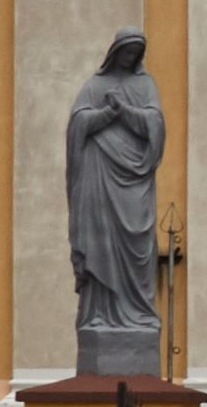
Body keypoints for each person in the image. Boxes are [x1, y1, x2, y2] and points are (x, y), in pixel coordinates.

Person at [66, 29, 165, 372]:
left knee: (139, 248)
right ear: (115, 52)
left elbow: (155, 124)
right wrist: (106, 115)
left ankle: (137, 315)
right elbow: (78, 125)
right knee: (99, 243)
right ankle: (99, 315)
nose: (129, 58)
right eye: (125, 52)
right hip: (99, 178)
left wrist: (124, 110)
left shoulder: (145, 85)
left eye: (135, 53)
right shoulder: (95, 86)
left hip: (134, 182)